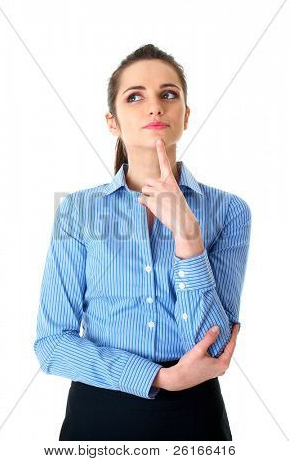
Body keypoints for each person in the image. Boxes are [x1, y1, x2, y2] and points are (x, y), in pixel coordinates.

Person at [33, 43, 252, 441]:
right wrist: (159, 378)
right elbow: (52, 345)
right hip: (98, 412)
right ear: (112, 121)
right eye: (135, 96)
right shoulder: (78, 212)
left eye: (168, 95)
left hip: (196, 415)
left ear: (185, 116)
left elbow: (215, 347)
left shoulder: (229, 211)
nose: (155, 107)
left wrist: (188, 235)